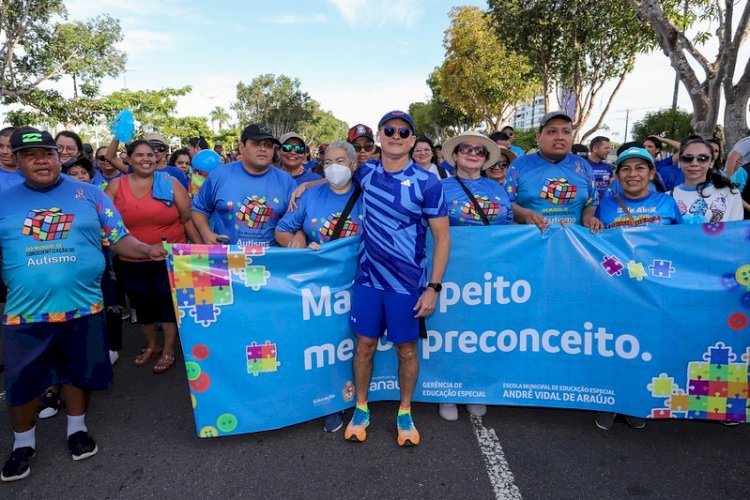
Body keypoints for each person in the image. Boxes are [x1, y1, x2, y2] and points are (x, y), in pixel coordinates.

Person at [0, 127, 167, 482]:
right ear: (17, 161)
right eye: (30, 156)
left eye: (47, 152)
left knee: (78, 373)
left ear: (59, 156)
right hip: (25, 314)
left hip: (84, 309)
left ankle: (77, 429)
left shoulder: (90, 195)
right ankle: (22, 443)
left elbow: (119, 239)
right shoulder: (3, 200)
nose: (41, 160)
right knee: (22, 383)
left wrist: (148, 250)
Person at [343, 110, 449, 447]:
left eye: (404, 132)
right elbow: (337, 179)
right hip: (368, 279)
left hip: (405, 285)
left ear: (413, 140)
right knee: (364, 346)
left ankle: (405, 411)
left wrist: (433, 288)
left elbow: (443, 239)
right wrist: (309, 187)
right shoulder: (366, 172)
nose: (396, 135)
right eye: (389, 130)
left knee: (406, 350)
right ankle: (361, 409)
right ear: (379, 135)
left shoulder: (428, 182)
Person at [105, 140, 201, 373]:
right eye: (140, 155)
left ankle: (168, 349)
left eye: (151, 154)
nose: (147, 159)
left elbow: (187, 219)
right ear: (128, 158)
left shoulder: (170, 183)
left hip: (169, 259)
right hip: (130, 260)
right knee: (142, 305)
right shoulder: (116, 187)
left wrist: (201, 250)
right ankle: (152, 345)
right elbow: (106, 224)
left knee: (167, 304)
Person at [437, 131, 512, 422]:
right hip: (452, 272)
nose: (472, 153)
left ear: (486, 159)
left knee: (482, 332)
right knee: (450, 332)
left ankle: (476, 389)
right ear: (455, 156)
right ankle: (446, 390)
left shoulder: (499, 190)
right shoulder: (439, 188)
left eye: (479, 151)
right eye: (465, 149)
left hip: (490, 275)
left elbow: (508, 230)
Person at [192, 124, 296, 246]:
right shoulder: (219, 175)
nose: (263, 149)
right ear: (242, 147)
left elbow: (298, 219)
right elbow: (199, 208)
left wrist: (299, 237)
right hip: (228, 259)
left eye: (268, 145)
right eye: (256, 143)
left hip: (271, 260)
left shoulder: (286, 181)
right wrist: (206, 233)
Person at [505, 111, 602, 232]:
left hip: (573, 244)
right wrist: (526, 215)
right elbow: (507, 203)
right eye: (552, 131)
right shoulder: (519, 166)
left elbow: (591, 202)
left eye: (566, 132)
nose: (560, 137)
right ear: (538, 136)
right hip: (532, 244)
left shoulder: (583, 166)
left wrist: (588, 218)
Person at [594, 147, 683, 230]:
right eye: (626, 169)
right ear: (617, 175)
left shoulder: (667, 202)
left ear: (651, 174)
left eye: (640, 168)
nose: (632, 174)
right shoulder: (605, 205)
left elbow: (680, 240)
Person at [671, 137, 742, 223]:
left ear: (711, 162)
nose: (694, 163)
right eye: (688, 158)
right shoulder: (666, 198)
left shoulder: (731, 193)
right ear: (679, 162)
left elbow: (736, 232)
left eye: (702, 158)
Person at [105, 134, 189, 189]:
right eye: (151, 147)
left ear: (165, 152)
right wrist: (119, 132)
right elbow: (110, 157)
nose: (155, 151)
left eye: (160, 148)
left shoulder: (176, 173)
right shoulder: (135, 170)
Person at [588, 136, 614, 201]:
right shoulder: (582, 165)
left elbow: (612, 186)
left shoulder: (608, 167)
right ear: (595, 149)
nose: (609, 151)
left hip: (605, 206)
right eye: (606, 148)